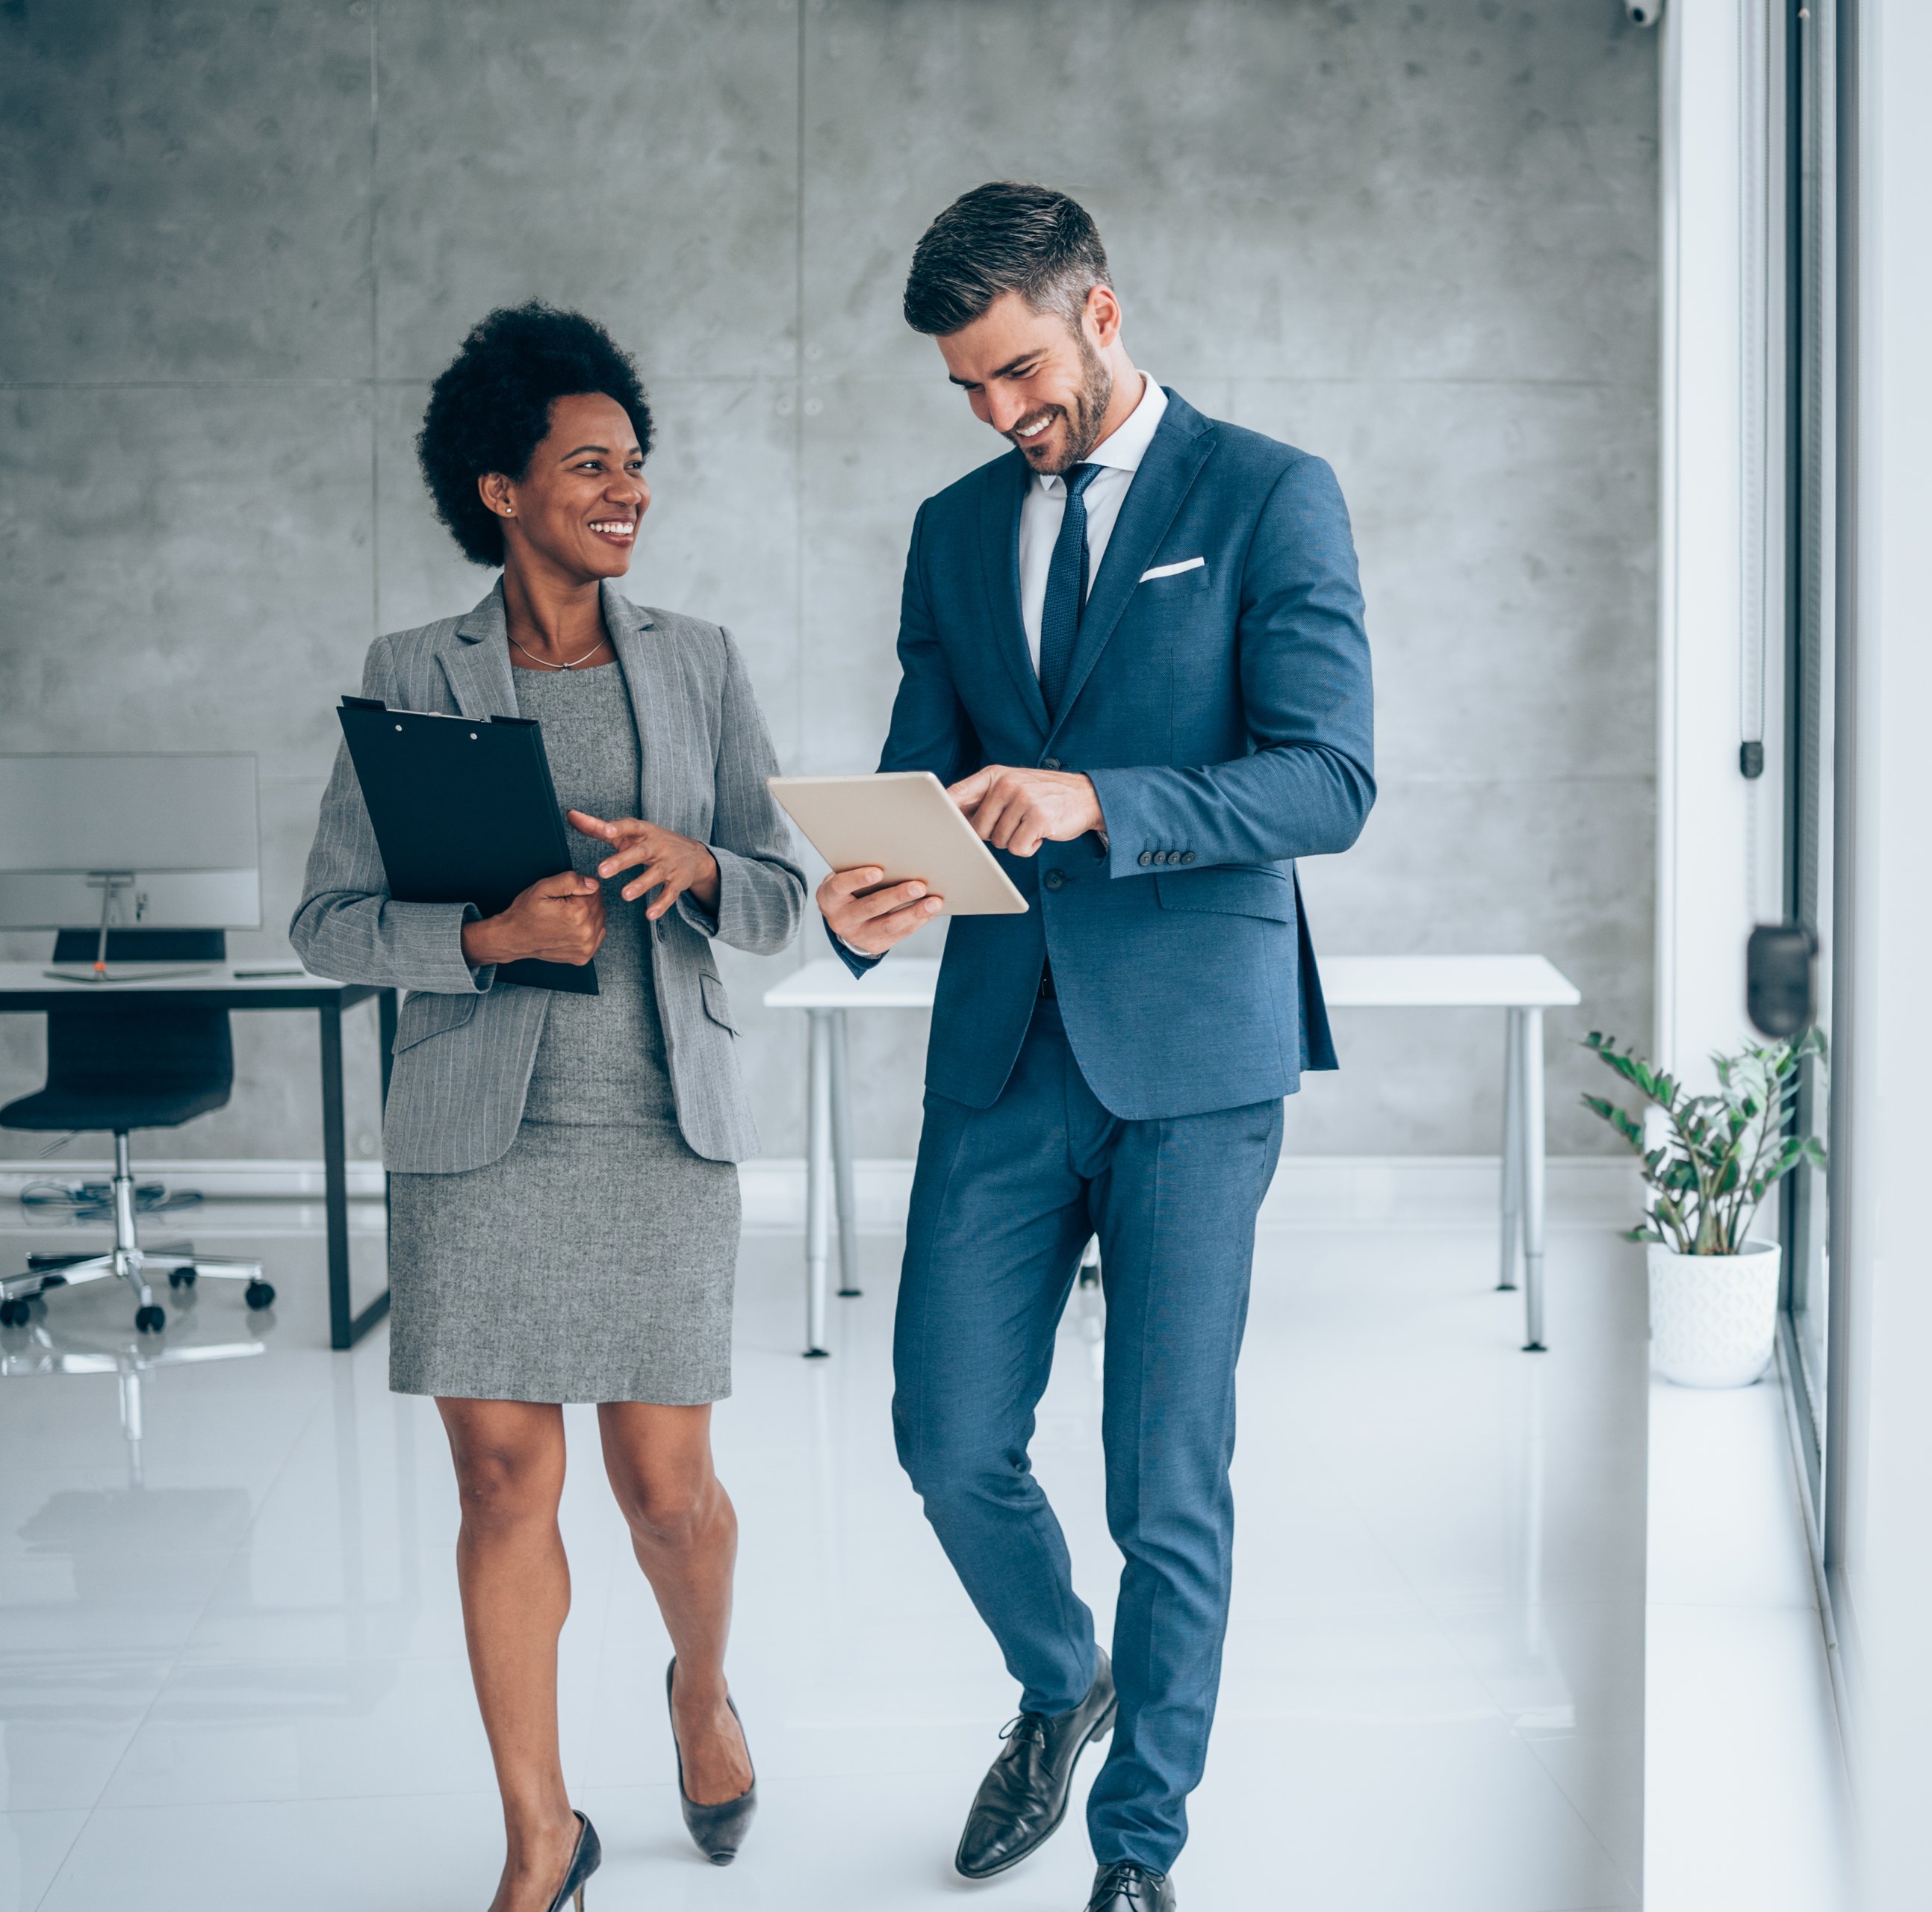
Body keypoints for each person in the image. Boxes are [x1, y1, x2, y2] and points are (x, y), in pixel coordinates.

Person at [818, 183, 1374, 1912]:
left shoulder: (1269, 493)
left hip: (1196, 1057)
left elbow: (1329, 777)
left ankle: (1140, 1847)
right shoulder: (951, 529)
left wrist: (1098, 799)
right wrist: (866, 891)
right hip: (1001, 1046)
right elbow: (921, 771)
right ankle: (1065, 1678)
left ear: (1102, 314)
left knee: (1164, 1476)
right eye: (968, 386)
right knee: (945, 1434)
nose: (1001, 410)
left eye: (1020, 370)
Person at [293, 305, 805, 1912]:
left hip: (655, 1121)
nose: (626, 489)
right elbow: (327, 922)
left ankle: (701, 1692)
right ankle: (539, 1835)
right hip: (478, 1135)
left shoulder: (699, 661)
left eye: (634, 463)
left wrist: (701, 864)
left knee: (668, 1495)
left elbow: (785, 893)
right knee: (503, 1484)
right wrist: (486, 938)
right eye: (589, 465)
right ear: (500, 486)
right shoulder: (411, 674)